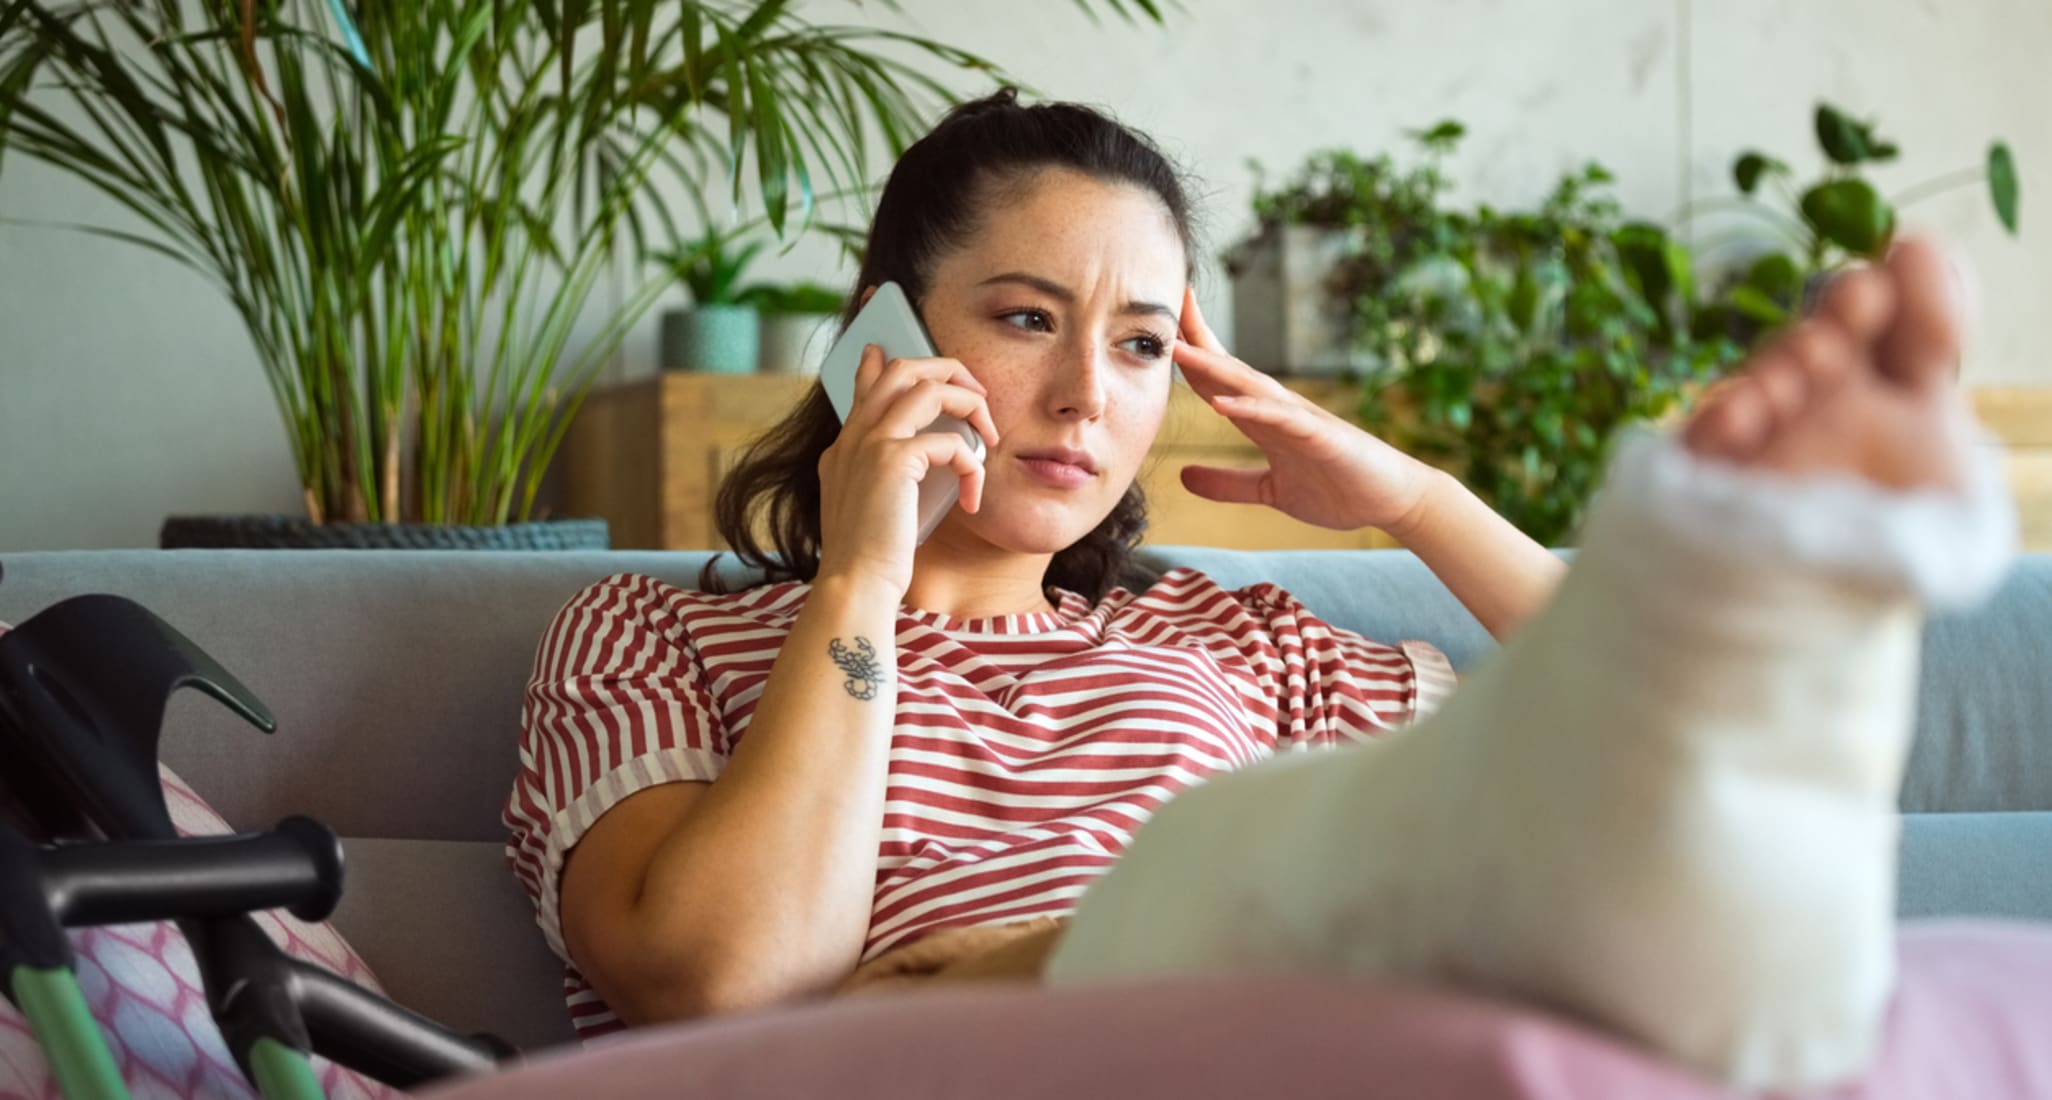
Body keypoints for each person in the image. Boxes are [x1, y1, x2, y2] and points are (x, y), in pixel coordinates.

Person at [503, 89, 2014, 1090]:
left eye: (1147, 343)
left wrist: (1417, 504)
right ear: (881, 337)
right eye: (1029, 318)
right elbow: (720, 982)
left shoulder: (1233, 639)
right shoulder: (655, 633)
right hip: (949, 1066)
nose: (1088, 392)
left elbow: (1643, 751)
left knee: (1623, 837)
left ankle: (1762, 608)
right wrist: (859, 580)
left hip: (1295, 1052)